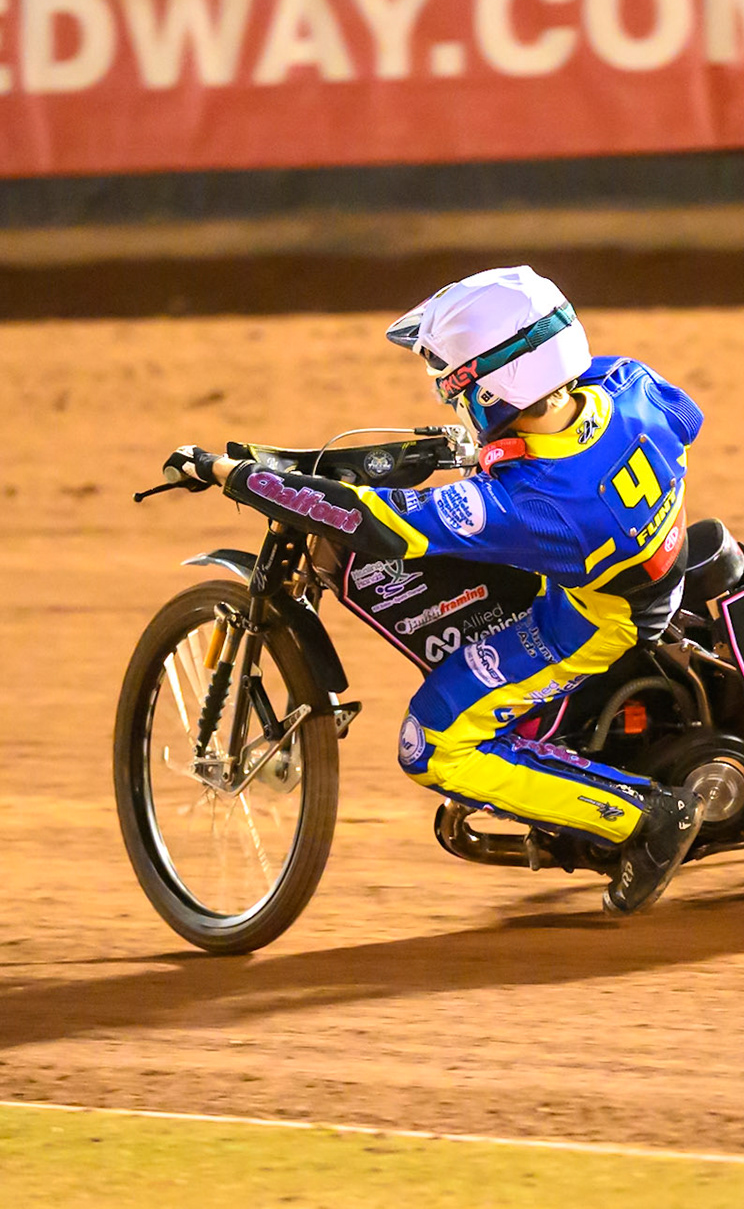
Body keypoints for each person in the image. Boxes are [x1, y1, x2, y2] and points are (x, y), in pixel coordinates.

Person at [164, 266, 704, 913]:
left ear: (500, 386)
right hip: (649, 561)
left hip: (595, 621)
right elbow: (685, 417)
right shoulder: (626, 384)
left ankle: (642, 818)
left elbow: (374, 523)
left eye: (458, 391)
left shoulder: (527, 506)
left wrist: (231, 474)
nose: (454, 404)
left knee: (431, 743)